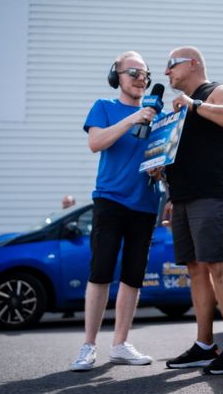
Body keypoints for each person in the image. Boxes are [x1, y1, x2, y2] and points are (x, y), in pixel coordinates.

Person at [70, 51, 163, 371]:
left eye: (145, 73)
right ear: (116, 77)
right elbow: (96, 143)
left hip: (145, 204)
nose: (140, 78)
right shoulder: (104, 107)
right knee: (100, 272)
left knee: (133, 277)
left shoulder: (158, 116)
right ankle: (88, 346)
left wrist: (160, 171)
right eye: (133, 72)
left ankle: (121, 345)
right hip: (110, 200)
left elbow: (162, 157)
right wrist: (132, 119)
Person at [162, 46, 223, 375]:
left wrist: (195, 105)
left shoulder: (215, 91)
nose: (167, 72)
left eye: (171, 65)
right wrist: (167, 187)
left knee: (217, 265)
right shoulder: (180, 108)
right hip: (182, 198)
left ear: (192, 63)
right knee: (195, 269)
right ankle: (204, 345)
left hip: (210, 194)